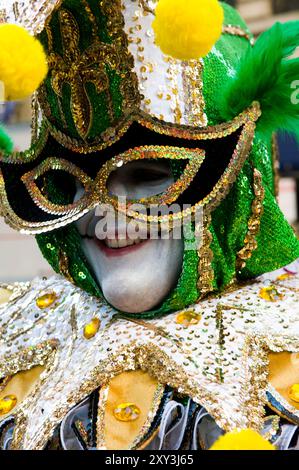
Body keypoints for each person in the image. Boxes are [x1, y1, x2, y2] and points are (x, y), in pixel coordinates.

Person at [0, 0, 298, 450]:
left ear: (236, 179)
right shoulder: (15, 331)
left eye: (147, 173)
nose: (102, 212)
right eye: (68, 180)